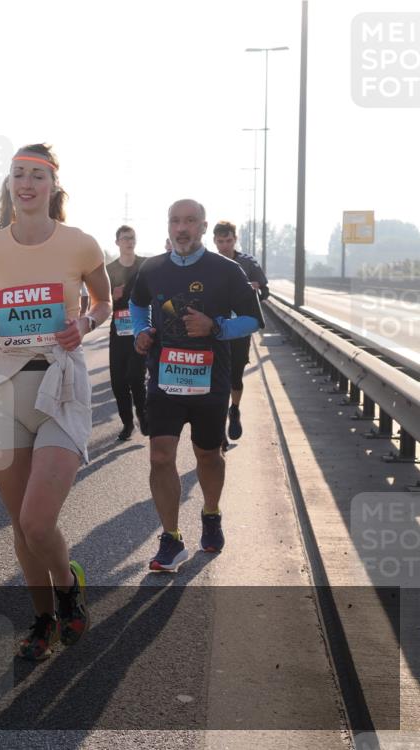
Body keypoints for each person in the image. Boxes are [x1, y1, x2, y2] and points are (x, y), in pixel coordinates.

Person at [0, 143, 111, 660]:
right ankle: (43, 621)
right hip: (6, 389)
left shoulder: (80, 244)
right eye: (18, 175)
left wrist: (86, 323)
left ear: (52, 187)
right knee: (20, 526)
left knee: (37, 521)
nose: (26, 184)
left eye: (36, 177)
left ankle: (69, 589)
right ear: (9, 184)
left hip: (61, 385)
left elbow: (105, 301)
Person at [130, 200, 264, 571]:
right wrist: (140, 332)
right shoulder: (152, 268)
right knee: (160, 456)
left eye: (190, 221)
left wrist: (217, 327)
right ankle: (171, 538)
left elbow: (254, 318)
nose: (182, 228)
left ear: (203, 227)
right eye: (175, 221)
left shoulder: (227, 270)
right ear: (168, 226)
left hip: (209, 382)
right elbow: (137, 305)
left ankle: (211, 513)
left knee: (208, 455)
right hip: (164, 381)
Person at [212, 220, 269, 444]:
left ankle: (234, 410)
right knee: (217, 379)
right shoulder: (209, 263)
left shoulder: (247, 262)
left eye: (228, 241)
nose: (224, 245)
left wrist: (257, 290)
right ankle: (218, 428)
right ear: (214, 241)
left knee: (235, 377)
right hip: (215, 329)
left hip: (239, 331)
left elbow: (265, 291)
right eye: (220, 241)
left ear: (235, 240)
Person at [106, 225, 148, 441]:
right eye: (124, 238)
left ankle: (142, 415)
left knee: (136, 377)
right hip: (119, 331)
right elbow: (101, 303)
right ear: (117, 242)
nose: (129, 242)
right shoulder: (109, 270)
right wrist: (113, 296)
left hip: (140, 330)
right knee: (118, 381)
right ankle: (127, 423)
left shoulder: (145, 266)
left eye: (131, 238)